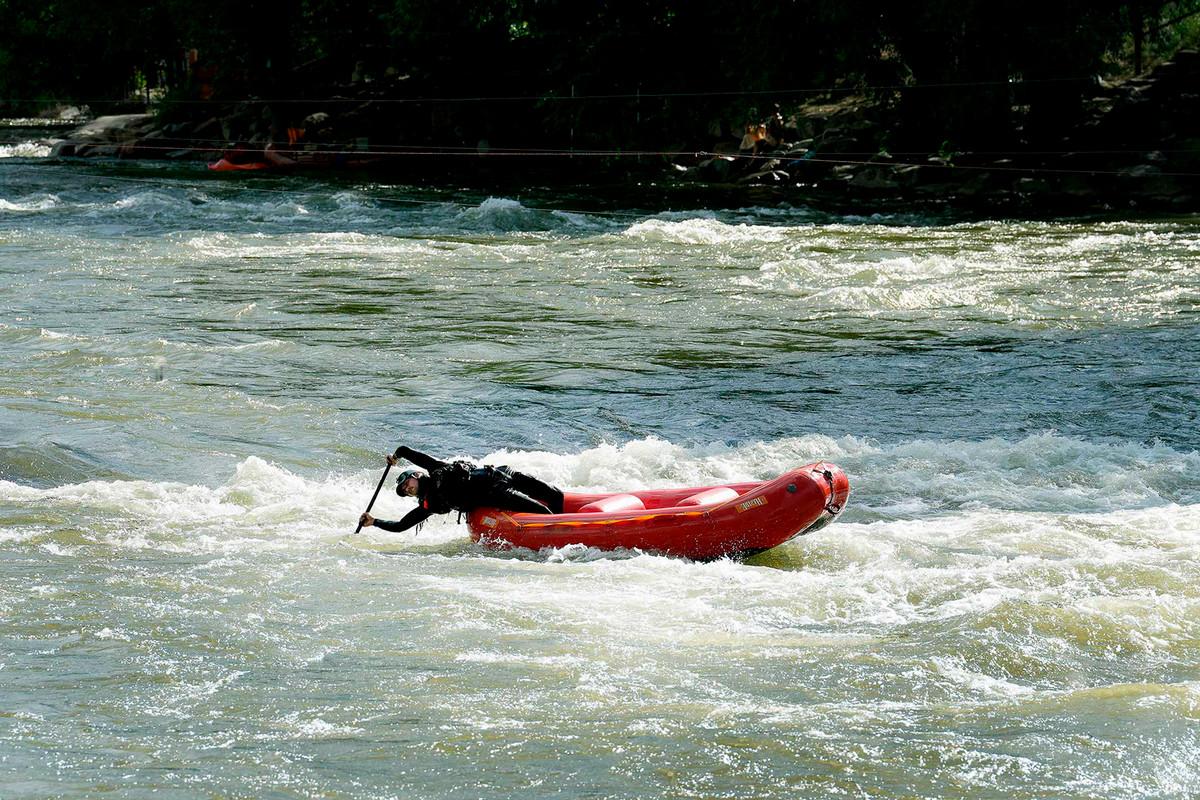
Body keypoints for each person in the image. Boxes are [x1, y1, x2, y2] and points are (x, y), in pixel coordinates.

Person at [358, 445, 564, 533]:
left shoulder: (435, 468)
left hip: (504, 474)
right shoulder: (430, 505)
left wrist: (395, 457)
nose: (407, 489)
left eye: (407, 484)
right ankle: (565, 532)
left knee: (555, 495)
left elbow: (405, 450)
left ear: (417, 475)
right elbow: (401, 525)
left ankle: (574, 523)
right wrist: (374, 522)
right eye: (404, 491)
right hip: (499, 495)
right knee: (544, 514)